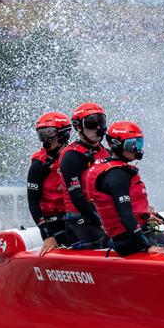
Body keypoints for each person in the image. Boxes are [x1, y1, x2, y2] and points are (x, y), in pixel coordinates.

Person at [85, 121, 164, 256]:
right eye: (132, 144)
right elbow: (125, 215)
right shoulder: (116, 175)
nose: (137, 149)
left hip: (131, 235)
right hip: (129, 241)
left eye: (139, 143)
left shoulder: (116, 169)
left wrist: (145, 217)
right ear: (117, 144)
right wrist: (147, 246)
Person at [57, 102, 110, 250]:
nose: (98, 128)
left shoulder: (107, 153)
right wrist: (100, 221)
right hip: (80, 220)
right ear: (78, 126)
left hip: (103, 216)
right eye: (92, 123)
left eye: (101, 121)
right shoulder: (71, 156)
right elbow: (77, 196)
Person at [27, 111, 71, 256]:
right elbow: (33, 203)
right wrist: (48, 235)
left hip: (77, 219)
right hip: (55, 224)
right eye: (41, 134)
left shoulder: (76, 157)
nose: (45, 139)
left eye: (49, 133)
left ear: (64, 134)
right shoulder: (39, 165)